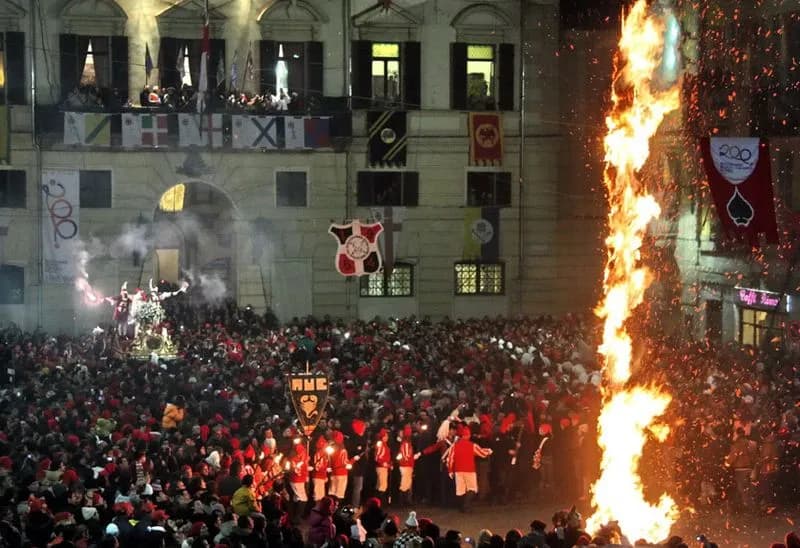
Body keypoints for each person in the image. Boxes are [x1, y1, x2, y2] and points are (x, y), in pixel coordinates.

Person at [447, 425, 492, 512]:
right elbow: (482, 453)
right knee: (472, 488)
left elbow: (450, 459)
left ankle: (462, 507)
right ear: (468, 435)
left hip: (458, 470)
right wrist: (489, 451)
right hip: (470, 470)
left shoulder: (454, 446)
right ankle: (466, 506)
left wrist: (450, 470)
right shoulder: (472, 445)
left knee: (460, 490)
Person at [396, 425, 417, 506]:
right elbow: (406, 455)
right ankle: (402, 501)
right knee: (405, 483)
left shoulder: (404, 443)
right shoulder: (406, 443)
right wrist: (410, 460)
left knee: (406, 483)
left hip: (406, 465)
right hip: (406, 465)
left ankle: (404, 501)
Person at [374, 428, 392, 504]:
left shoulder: (383, 444)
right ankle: (380, 502)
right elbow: (377, 457)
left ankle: (378, 501)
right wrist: (384, 463)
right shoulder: (381, 445)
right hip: (382, 467)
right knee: (382, 485)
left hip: (383, 466)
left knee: (380, 484)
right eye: (386, 436)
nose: (387, 437)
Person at [312, 435, 331, 502]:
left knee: (321, 495)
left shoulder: (325, 454)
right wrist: (325, 470)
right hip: (318, 477)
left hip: (321, 477)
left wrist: (325, 475)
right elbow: (318, 467)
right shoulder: (318, 454)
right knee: (318, 496)